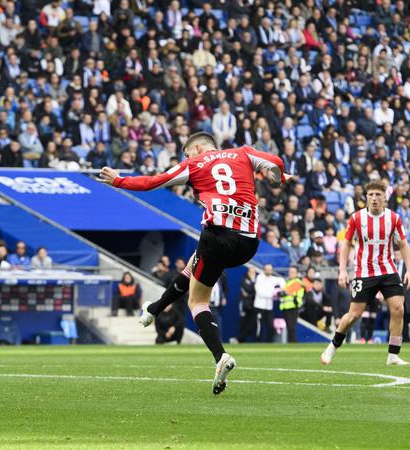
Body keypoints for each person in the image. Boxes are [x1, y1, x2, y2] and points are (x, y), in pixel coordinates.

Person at [101, 132, 289, 394]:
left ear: (198, 149)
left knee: (198, 301)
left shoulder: (194, 164)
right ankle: (154, 309)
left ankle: (220, 356)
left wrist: (120, 180)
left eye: (187, 153)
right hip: (248, 243)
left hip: (217, 236)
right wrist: (278, 179)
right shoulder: (244, 152)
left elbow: (154, 182)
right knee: (193, 264)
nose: (186, 158)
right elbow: (277, 162)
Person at [322, 179, 410, 366]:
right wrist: (342, 271)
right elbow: (346, 244)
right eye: (370, 195)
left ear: (384, 197)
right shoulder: (357, 218)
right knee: (354, 314)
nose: (374, 198)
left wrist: (409, 270)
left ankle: (393, 355)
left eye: (378, 195)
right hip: (364, 272)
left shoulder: (394, 218)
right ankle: (333, 345)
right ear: (366, 197)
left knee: (398, 308)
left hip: (388, 270)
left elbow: (403, 244)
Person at [254, 264, 284, 343]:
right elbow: (259, 292)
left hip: (269, 307)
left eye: (270, 269)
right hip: (259, 306)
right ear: (264, 270)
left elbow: (281, 281)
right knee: (260, 327)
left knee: (270, 326)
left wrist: (280, 290)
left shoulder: (273, 279)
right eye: (267, 269)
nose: (268, 271)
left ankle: (269, 342)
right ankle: (258, 342)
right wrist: (272, 294)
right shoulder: (259, 277)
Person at [279, 266, 305, 343]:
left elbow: (287, 291)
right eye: (290, 272)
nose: (290, 273)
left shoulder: (297, 282)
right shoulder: (289, 282)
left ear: (297, 273)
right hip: (286, 307)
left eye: (293, 272)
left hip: (293, 306)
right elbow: (282, 293)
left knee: (291, 327)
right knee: (289, 327)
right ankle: (291, 342)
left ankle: (293, 342)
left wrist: (283, 290)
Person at [237, 267, 258, 342]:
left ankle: (241, 338)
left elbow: (256, 291)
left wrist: (250, 294)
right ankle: (240, 339)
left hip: (255, 305)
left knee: (252, 324)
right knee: (244, 323)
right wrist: (252, 283)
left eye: (254, 272)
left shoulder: (258, 280)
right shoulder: (244, 279)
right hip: (245, 305)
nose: (252, 274)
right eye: (251, 272)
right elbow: (248, 289)